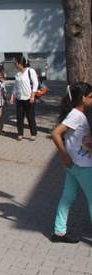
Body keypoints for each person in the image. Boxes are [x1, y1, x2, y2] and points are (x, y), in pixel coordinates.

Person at [49, 82, 92, 244]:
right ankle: (59, 231)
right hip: (82, 166)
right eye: (90, 97)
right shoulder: (76, 115)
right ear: (83, 98)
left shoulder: (77, 114)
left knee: (67, 198)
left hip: (75, 165)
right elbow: (55, 133)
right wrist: (64, 155)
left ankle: (59, 232)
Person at [10, 56, 39, 141]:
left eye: (16, 63)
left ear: (20, 63)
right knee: (19, 117)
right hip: (19, 98)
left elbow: (35, 83)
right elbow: (15, 86)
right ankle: (20, 134)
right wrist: (13, 96)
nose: (15, 65)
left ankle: (33, 134)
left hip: (29, 97)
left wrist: (33, 95)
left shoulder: (30, 71)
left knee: (30, 116)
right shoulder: (17, 74)